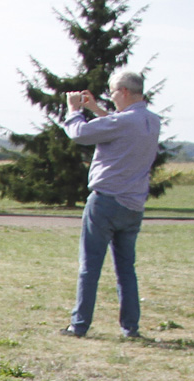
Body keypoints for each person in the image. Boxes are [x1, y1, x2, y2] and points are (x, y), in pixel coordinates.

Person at [61, 70, 162, 338]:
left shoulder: (124, 121)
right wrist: (96, 109)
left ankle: (79, 325)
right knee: (126, 270)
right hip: (134, 205)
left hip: (106, 201)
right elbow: (119, 125)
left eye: (114, 91)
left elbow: (79, 133)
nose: (112, 95)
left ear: (124, 91)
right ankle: (130, 327)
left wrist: (74, 110)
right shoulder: (152, 121)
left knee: (90, 266)